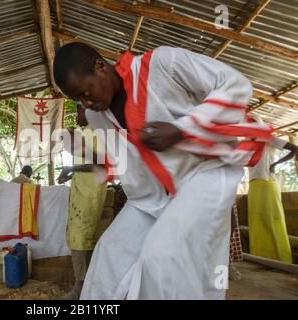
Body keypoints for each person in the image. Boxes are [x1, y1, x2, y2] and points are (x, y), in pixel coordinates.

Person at [53, 42, 272, 299]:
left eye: (86, 92)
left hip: (203, 181)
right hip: (150, 200)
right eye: (78, 99)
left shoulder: (162, 65)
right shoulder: (97, 117)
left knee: (163, 262)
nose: (86, 103)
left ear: (100, 67)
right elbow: (119, 162)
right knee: (107, 258)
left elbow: (236, 85)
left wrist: (182, 129)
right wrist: (85, 153)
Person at [57, 104, 108, 299]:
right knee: (77, 235)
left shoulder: (98, 132)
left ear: (88, 112)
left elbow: (103, 163)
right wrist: (70, 174)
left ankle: (81, 288)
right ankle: (84, 285)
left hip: (91, 193)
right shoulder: (86, 133)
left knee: (81, 236)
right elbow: (84, 164)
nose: (76, 115)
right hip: (81, 191)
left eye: (78, 111)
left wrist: (71, 170)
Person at [248, 136, 298, 263]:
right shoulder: (248, 144)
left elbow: (294, 148)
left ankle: (280, 259)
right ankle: (261, 258)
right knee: (256, 222)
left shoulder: (268, 138)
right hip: (253, 184)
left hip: (266, 182)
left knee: (272, 220)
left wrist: (275, 164)